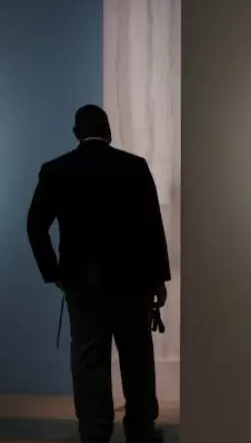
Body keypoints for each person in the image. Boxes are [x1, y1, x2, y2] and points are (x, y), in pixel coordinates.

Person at [26, 104, 170, 443]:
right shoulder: (134, 167)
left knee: (90, 360)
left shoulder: (56, 170)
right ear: (108, 131)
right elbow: (152, 227)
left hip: (81, 284)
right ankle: (140, 428)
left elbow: (35, 227)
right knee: (136, 356)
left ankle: (95, 430)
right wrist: (159, 278)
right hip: (132, 283)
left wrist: (55, 272)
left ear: (76, 134)